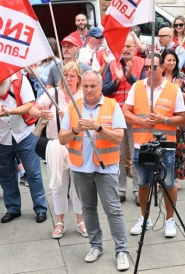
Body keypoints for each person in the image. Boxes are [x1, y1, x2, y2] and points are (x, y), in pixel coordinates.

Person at [58, 70, 130, 270]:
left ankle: (122, 250)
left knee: (113, 210)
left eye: (93, 86)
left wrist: (98, 127)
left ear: (100, 87)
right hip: (80, 168)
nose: (89, 90)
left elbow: (118, 138)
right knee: (88, 209)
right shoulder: (74, 106)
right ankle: (95, 245)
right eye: (86, 86)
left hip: (105, 167)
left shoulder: (112, 105)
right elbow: (62, 138)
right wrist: (75, 130)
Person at [122, 53, 185, 238]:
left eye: (153, 67)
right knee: (142, 184)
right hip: (142, 144)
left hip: (166, 146)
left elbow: (182, 118)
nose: (149, 71)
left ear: (162, 68)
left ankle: (169, 220)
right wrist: (141, 123)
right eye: (146, 67)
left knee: (168, 183)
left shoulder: (173, 90)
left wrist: (163, 119)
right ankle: (145, 218)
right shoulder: (137, 87)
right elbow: (125, 112)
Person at [0, 74, 48, 224]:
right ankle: (13, 208)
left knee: (33, 173)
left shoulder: (20, 80)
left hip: (24, 134)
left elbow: (30, 105)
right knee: (5, 174)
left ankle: (40, 208)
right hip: (0, 137)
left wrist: (9, 111)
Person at [29, 62, 86, 239]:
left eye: (72, 76)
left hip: (78, 146)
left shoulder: (83, 95)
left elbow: (91, 119)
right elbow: (32, 110)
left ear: (78, 78)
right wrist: (42, 114)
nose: (68, 79)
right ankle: (59, 222)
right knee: (58, 185)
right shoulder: (53, 93)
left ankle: (81, 221)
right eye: (65, 75)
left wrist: (70, 115)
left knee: (79, 187)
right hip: (56, 145)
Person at [102, 34, 145, 205]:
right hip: (116, 117)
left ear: (135, 47)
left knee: (136, 155)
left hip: (135, 116)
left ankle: (137, 191)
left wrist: (129, 76)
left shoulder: (142, 63)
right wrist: (118, 80)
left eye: (129, 46)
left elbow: (145, 87)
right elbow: (105, 91)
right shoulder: (111, 65)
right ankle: (120, 191)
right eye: (123, 47)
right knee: (117, 156)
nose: (126, 50)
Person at [161, 49, 185, 189]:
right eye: (169, 60)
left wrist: (176, 90)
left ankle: (174, 178)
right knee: (160, 148)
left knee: (176, 150)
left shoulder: (180, 76)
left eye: (174, 60)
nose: (172, 63)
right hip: (161, 118)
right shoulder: (158, 76)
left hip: (177, 119)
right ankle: (159, 177)